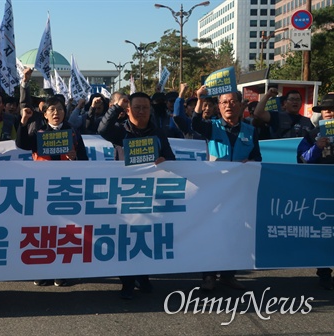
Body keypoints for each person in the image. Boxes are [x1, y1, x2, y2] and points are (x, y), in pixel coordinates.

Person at [98, 92, 175, 299]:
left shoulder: (158, 134)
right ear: (129, 110)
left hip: (150, 194)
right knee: (126, 237)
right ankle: (127, 282)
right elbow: (102, 129)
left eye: (145, 108)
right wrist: (115, 107)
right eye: (137, 107)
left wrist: (163, 160)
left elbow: (171, 159)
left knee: (145, 236)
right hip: (124, 194)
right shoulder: (121, 133)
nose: (142, 111)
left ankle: (143, 276)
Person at [192, 86, 262, 291]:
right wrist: (199, 98)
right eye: (223, 102)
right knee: (212, 232)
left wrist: (251, 162)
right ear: (218, 107)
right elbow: (194, 123)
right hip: (215, 190)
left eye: (233, 102)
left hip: (239, 191)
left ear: (241, 105)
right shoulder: (212, 127)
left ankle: (228, 275)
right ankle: (208, 275)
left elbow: (258, 157)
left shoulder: (250, 130)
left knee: (236, 232)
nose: (228, 106)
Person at [17, 95, 88, 287]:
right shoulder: (38, 132)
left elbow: (85, 161)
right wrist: (23, 122)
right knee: (43, 231)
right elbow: (22, 144)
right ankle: (42, 270)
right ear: (45, 114)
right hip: (42, 190)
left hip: (66, 190)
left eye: (60, 109)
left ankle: (63, 271)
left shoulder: (72, 133)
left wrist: (75, 158)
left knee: (65, 232)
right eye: (52, 110)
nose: (56, 113)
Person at [297, 93, 334, 290]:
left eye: (332, 109)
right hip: (321, 193)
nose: (329, 112)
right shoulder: (312, 134)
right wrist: (317, 148)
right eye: (326, 109)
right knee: (324, 233)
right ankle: (324, 273)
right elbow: (301, 160)